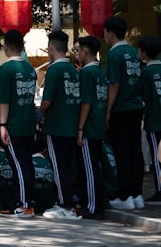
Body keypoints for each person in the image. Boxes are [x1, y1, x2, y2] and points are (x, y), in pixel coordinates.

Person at [39, 29, 82, 219]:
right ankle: (67, 201)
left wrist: (39, 112)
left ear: (51, 48)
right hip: (71, 125)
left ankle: (65, 205)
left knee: (59, 166)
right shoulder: (73, 69)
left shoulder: (54, 69)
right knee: (67, 166)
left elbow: (46, 101)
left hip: (56, 126)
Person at [104, 16, 145, 210]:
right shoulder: (133, 52)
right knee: (135, 150)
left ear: (110, 33)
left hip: (120, 107)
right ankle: (137, 194)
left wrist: (108, 110)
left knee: (122, 152)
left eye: (105, 32)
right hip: (136, 106)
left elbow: (114, 84)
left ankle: (125, 195)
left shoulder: (114, 54)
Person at [0, 28, 37, 218]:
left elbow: (4, 100)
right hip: (28, 124)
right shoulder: (29, 68)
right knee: (26, 164)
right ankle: (21, 201)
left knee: (19, 166)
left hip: (13, 125)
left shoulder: (6, 69)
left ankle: (25, 204)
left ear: (5, 46)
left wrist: (2, 125)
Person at [75, 35, 108, 220]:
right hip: (98, 124)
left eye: (78, 49)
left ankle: (93, 206)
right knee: (94, 165)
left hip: (89, 127)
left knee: (89, 168)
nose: (77, 53)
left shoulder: (87, 73)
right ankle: (98, 202)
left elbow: (86, 102)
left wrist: (80, 129)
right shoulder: (100, 71)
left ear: (85, 51)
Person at [138, 35, 161, 203]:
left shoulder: (146, 72)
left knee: (157, 156)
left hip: (154, 120)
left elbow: (144, 96)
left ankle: (160, 189)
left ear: (144, 53)